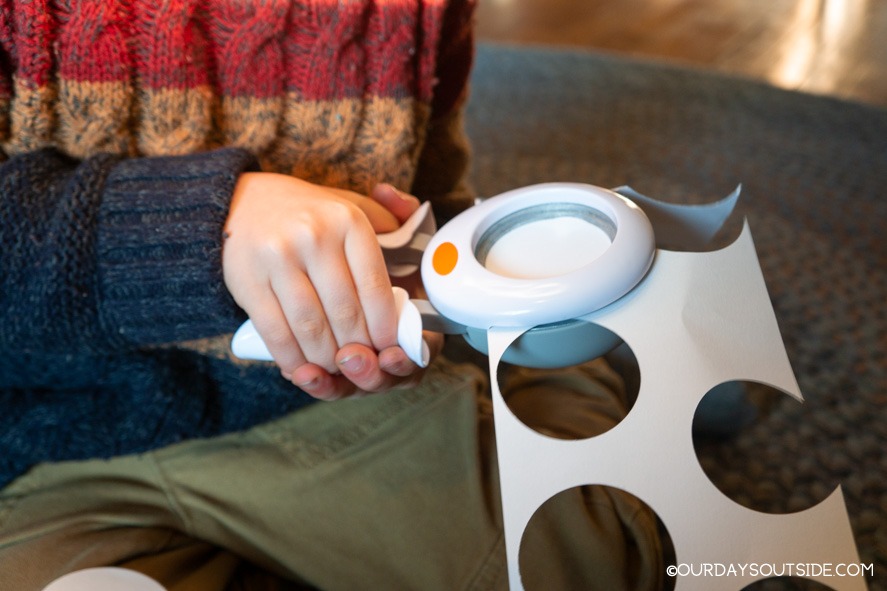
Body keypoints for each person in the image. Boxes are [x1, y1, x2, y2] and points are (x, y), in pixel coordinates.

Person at [0, 1, 663, 589]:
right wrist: (197, 226)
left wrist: (429, 263)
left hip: (305, 408)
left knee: (594, 558)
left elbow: (431, 172)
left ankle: (572, 362)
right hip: (41, 444)